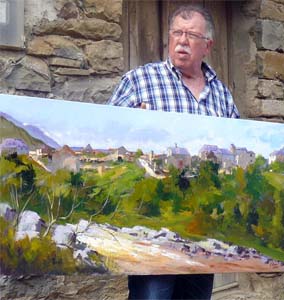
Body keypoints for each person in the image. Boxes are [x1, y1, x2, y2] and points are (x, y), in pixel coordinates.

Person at [108, 5, 239, 300]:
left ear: (208, 45)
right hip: (153, 226)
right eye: (177, 33)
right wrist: (133, 128)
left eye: (192, 35)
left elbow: (236, 149)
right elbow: (109, 139)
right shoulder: (140, 81)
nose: (182, 40)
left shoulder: (221, 94)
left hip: (202, 227)